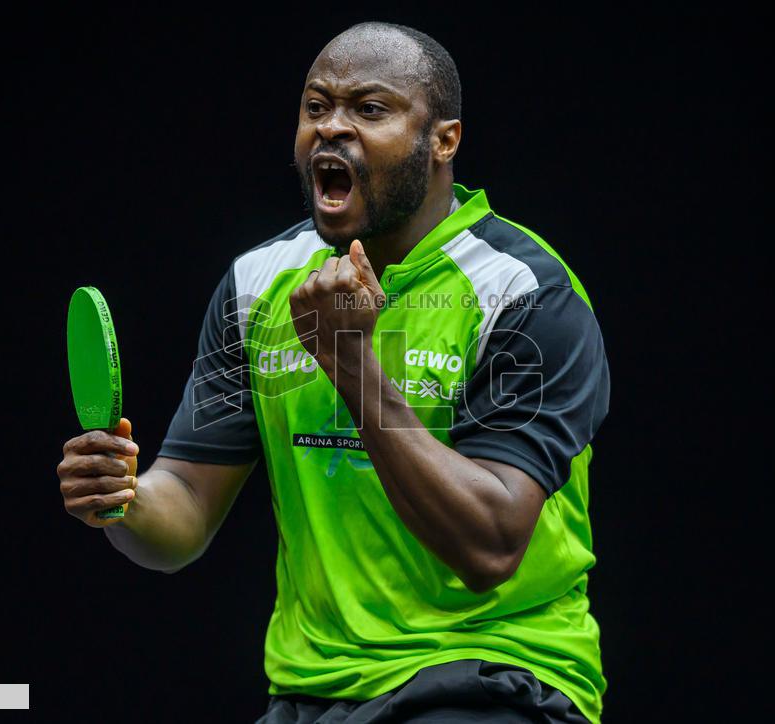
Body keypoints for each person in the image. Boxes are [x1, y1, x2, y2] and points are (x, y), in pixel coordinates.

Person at [57, 21, 610, 724]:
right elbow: (187, 510)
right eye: (315, 107)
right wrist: (124, 497)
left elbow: (490, 544)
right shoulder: (258, 285)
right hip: (310, 694)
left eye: (369, 110)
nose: (330, 129)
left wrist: (351, 365)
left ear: (443, 140)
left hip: (491, 677)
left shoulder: (525, 293)